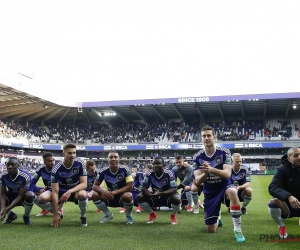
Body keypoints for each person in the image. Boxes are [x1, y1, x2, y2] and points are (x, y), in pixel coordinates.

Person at [192, 125, 246, 242]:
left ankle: (237, 230)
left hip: (224, 186)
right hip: (210, 191)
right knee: (210, 230)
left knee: (232, 192)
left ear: (214, 137)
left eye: (209, 135)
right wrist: (205, 174)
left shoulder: (224, 152)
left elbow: (227, 174)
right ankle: (217, 217)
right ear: (201, 138)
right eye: (204, 136)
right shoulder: (197, 157)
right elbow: (197, 181)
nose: (206, 138)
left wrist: (211, 169)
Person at [35, 144, 88, 227]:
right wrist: (55, 214)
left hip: (74, 190)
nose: (72, 155)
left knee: (83, 194)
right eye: (69, 153)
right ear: (63, 154)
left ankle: (83, 216)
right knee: (42, 198)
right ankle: (59, 213)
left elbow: (84, 184)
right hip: (60, 190)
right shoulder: (56, 168)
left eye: (74, 153)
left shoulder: (80, 163)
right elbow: (55, 192)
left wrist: (70, 191)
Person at [92, 151, 134, 224]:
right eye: (111, 157)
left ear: (119, 159)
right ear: (108, 160)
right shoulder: (103, 171)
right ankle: (108, 215)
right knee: (95, 195)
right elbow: (94, 186)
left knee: (128, 195)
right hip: (110, 196)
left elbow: (130, 187)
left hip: (122, 197)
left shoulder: (125, 169)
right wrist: (103, 191)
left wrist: (115, 192)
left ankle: (128, 215)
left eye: (115, 157)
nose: (113, 159)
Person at [136, 156, 181, 225]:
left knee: (177, 198)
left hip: (167, 197)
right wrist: (150, 195)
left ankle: (173, 215)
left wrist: (160, 193)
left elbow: (174, 189)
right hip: (154, 196)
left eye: (158, 163)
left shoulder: (169, 173)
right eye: (154, 164)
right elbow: (144, 188)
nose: (155, 166)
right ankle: (152, 214)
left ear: (164, 165)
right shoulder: (149, 173)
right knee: (139, 197)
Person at [268, 147, 300, 239]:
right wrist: (288, 196)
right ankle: (281, 226)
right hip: (288, 205)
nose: (299, 157)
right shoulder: (282, 170)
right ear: (289, 159)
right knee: (273, 202)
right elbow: (272, 187)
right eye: (296, 155)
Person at [0, 157, 35, 225]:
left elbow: (20, 195)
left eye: (12, 164)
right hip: (12, 195)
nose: (10, 167)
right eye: (8, 164)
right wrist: (3, 207)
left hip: (23, 198)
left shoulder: (25, 176)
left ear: (18, 165)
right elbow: (2, 193)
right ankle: (11, 215)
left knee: (30, 195)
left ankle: (26, 216)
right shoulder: (3, 176)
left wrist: (6, 209)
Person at [31, 152, 64, 217]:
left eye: (53, 160)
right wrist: (39, 190)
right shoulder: (41, 169)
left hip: (59, 188)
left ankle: (59, 209)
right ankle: (45, 209)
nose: (52, 162)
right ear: (44, 162)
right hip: (48, 189)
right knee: (31, 192)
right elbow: (32, 183)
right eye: (49, 161)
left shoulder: (59, 167)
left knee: (59, 192)